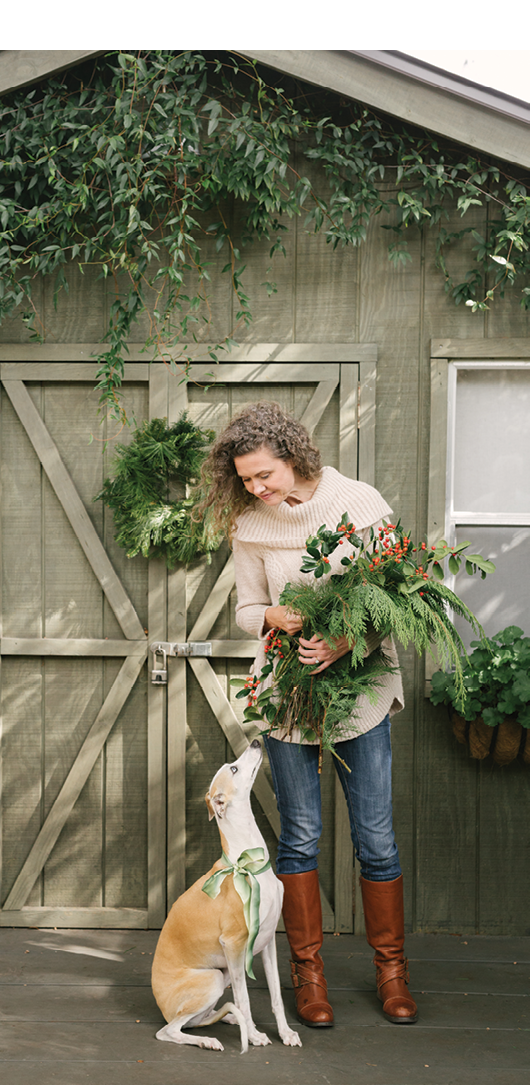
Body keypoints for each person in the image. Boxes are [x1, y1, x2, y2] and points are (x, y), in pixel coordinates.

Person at [195, 401, 418, 1028]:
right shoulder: (250, 523)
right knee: (298, 835)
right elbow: (247, 609)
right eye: (245, 479)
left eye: (264, 475)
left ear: (293, 456)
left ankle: (392, 972)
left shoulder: (360, 505)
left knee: (376, 839)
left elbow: (397, 598)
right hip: (287, 694)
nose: (255, 488)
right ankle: (308, 976)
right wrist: (272, 616)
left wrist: (345, 641)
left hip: (361, 690)